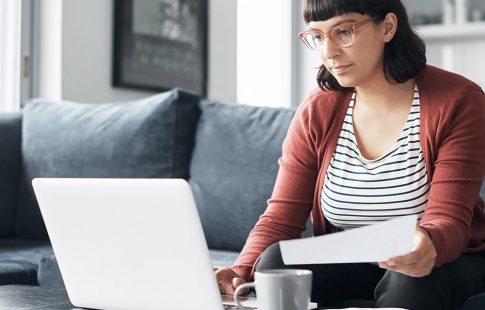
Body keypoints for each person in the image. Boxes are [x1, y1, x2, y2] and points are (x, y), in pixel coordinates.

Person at [215, 0, 485, 309]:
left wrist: (428, 243)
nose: (328, 52)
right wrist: (239, 271)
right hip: (357, 261)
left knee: (410, 280)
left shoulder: (459, 101)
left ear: (387, 27)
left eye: (343, 32)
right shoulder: (318, 110)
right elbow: (280, 218)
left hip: (447, 261)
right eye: (318, 36)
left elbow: (448, 219)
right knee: (275, 261)